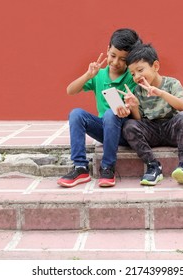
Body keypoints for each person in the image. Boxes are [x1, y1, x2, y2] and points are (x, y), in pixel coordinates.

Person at [57, 28, 142, 188]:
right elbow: (70, 91)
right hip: (105, 130)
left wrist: (127, 110)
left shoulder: (132, 77)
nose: (116, 62)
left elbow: (138, 113)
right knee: (76, 114)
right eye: (113, 55)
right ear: (107, 50)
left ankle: (107, 168)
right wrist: (88, 75)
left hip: (125, 133)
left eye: (123, 59)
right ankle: (80, 168)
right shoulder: (99, 75)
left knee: (112, 114)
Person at [120, 43, 183, 186]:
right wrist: (134, 106)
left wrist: (160, 93)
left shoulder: (172, 83)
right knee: (129, 125)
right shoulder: (138, 90)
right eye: (133, 74)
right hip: (152, 130)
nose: (137, 76)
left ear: (155, 66)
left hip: (171, 128)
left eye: (140, 70)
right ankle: (153, 166)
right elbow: (139, 120)